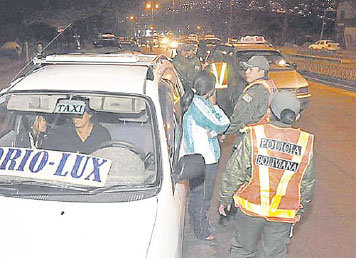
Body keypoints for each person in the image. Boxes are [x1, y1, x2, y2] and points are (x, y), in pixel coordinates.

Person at [219, 91, 315, 257]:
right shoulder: (304, 142)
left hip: (251, 210)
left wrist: (225, 198)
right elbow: (306, 183)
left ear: (269, 112)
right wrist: (300, 210)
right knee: (273, 255)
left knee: (242, 251)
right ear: (297, 116)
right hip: (282, 214)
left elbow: (236, 170)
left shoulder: (255, 135)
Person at [182, 71, 230, 243]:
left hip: (199, 157)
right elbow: (222, 123)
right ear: (210, 90)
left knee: (197, 194)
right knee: (202, 197)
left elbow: (211, 127)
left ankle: (197, 222)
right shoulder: (200, 107)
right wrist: (215, 105)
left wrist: (212, 131)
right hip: (203, 160)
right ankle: (201, 230)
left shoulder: (197, 103)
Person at [225, 55, 278, 148]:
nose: (246, 72)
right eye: (246, 69)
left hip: (250, 138)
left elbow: (240, 116)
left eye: (251, 69)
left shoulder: (256, 90)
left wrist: (225, 132)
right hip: (266, 136)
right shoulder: (269, 85)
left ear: (261, 71)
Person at [43, 102, 111, 154]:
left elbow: (108, 155)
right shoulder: (61, 133)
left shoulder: (102, 134)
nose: (75, 118)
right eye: (73, 115)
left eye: (79, 115)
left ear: (90, 114)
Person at [205, 51, 246, 117]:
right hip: (225, 93)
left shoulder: (209, 67)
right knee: (224, 112)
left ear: (213, 59)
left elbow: (206, 81)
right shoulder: (228, 67)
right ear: (222, 58)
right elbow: (232, 80)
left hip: (213, 93)